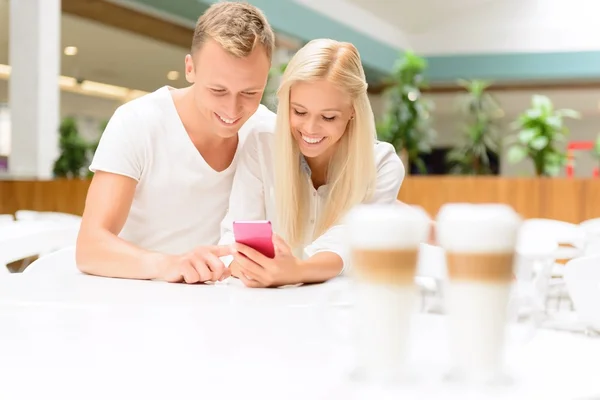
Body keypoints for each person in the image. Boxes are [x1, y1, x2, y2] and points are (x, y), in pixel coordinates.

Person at [75, 2, 277, 284]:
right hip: (136, 299)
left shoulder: (266, 131)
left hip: (220, 301)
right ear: (190, 69)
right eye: (218, 90)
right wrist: (170, 264)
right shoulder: (137, 122)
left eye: (250, 92)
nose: (232, 110)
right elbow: (90, 247)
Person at [219, 38, 405, 288]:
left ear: (353, 110)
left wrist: (298, 270)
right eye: (299, 112)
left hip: (344, 309)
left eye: (328, 117)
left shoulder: (382, 165)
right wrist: (241, 263)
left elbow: (350, 244)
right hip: (265, 305)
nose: (310, 129)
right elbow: (235, 233)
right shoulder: (262, 144)